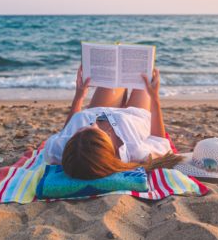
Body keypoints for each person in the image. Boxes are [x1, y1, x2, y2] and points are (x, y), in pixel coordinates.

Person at [42, 66, 185, 180]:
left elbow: (66, 131)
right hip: (135, 115)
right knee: (144, 74)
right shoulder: (134, 151)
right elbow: (160, 141)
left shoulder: (58, 150)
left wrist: (78, 97)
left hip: (98, 108)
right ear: (108, 145)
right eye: (96, 129)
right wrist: (155, 97)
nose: (94, 124)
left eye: (80, 130)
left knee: (114, 71)